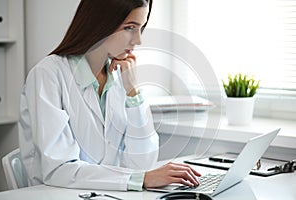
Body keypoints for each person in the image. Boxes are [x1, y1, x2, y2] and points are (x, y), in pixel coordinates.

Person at [18, 0, 201, 191]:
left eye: (141, 28)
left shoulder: (118, 74)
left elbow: (142, 164)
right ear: (100, 23)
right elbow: (59, 169)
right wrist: (139, 178)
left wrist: (133, 92)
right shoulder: (48, 75)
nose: (138, 40)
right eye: (130, 27)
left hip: (106, 194)